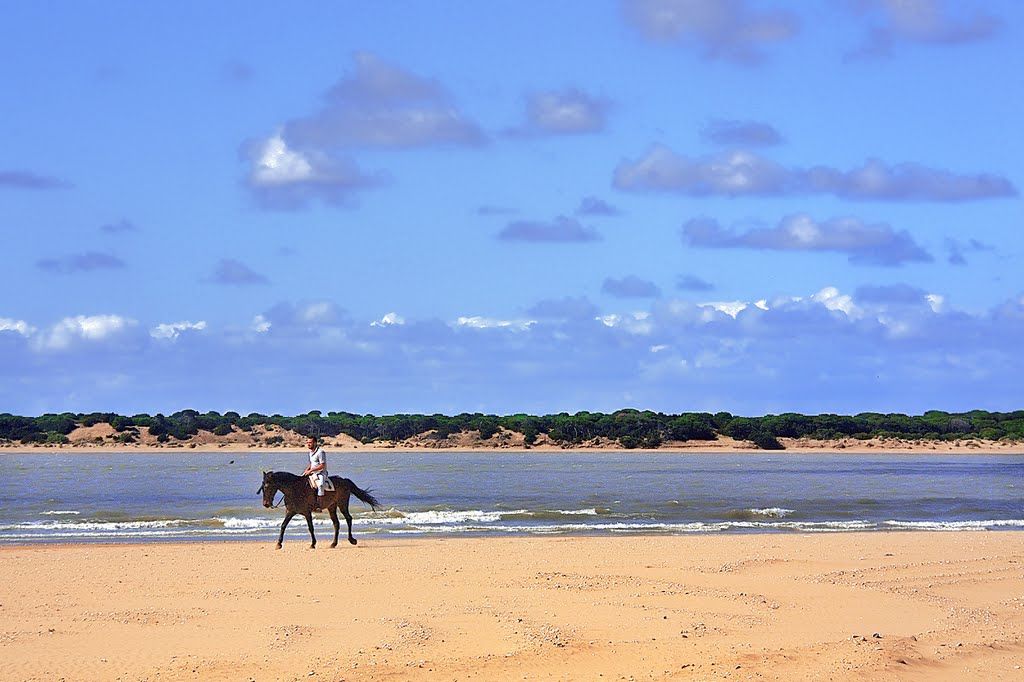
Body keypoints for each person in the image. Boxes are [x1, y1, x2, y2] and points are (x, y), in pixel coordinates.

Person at [301, 435, 327, 512]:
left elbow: (322, 465)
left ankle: (319, 505)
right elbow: (311, 463)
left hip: (321, 473)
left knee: (321, 485)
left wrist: (311, 470)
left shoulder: (320, 452)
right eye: (307, 442)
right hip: (312, 473)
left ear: (315, 443)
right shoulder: (310, 452)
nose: (308, 444)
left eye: (310, 442)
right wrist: (307, 470)